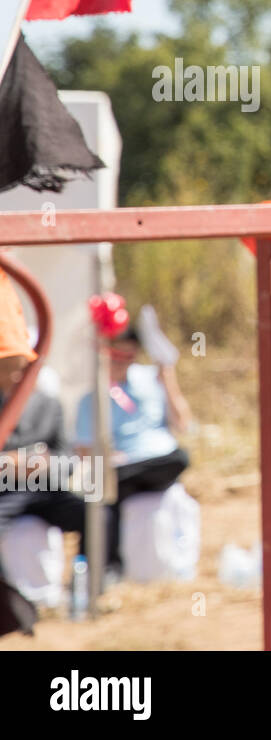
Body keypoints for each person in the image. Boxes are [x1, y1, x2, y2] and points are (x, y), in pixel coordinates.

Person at [0, 272, 88, 637]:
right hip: (4, 492)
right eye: (9, 368)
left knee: (90, 511)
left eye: (22, 368)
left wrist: (44, 464)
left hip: (41, 489)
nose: (16, 376)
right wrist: (9, 465)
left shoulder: (48, 404)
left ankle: (94, 584)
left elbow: (67, 458)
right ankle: (13, 606)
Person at [75, 305, 192, 574]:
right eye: (117, 355)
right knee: (104, 500)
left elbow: (183, 423)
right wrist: (105, 458)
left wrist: (169, 377)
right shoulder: (91, 399)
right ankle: (108, 568)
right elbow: (83, 449)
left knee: (179, 458)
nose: (123, 362)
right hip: (120, 466)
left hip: (159, 462)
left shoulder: (151, 379)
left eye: (129, 355)